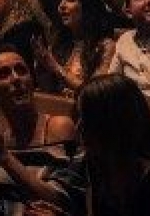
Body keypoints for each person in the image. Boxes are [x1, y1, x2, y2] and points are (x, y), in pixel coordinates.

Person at [0, 45, 76, 215]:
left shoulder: (59, 127)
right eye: (4, 74)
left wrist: (5, 157)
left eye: (21, 70)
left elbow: (62, 200)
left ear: (32, 80)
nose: (15, 79)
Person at [36, 74, 150, 216]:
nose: (77, 128)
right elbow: (57, 195)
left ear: (112, 123)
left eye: (86, 119)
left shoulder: (143, 175)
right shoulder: (92, 167)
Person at [108, 0, 150, 102]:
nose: (149, 0)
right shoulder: (125, 40)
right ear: (128, 11)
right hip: (131, 115)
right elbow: (112, 85)